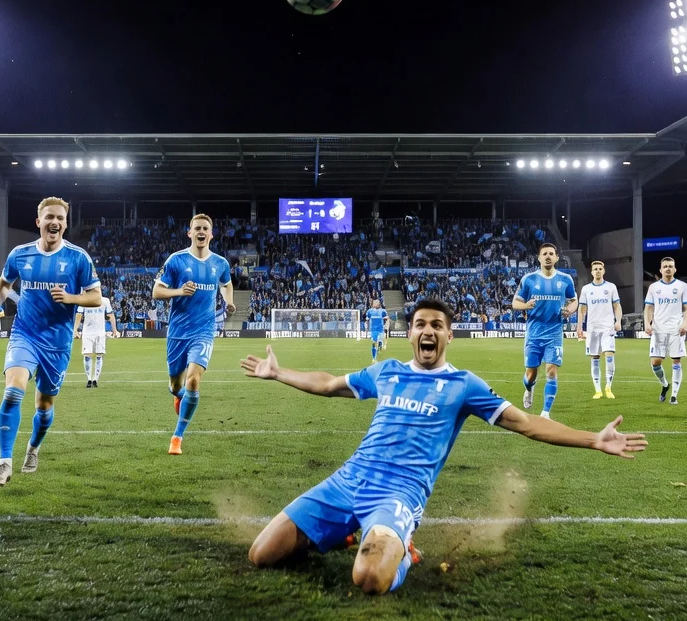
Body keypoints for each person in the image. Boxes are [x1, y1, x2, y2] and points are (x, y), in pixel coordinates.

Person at [240, 298, 646, 595]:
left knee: (367, 579)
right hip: (349, 479)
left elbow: (527, 424)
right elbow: (328, 384)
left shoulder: (464, 384)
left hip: (399, 493)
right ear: (410, 333)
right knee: (261, 554)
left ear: (449, 335)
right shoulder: (387, 371)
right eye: (420, 324)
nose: (428, 331)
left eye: (436, 325)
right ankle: (344, 531)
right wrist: (278, 373)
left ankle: (402, 552)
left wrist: (593, 438)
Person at [0, 197, 102, 484]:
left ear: (65, 224)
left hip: (58, 343)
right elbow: (3, 281)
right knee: (13, 392)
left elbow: (96, 296)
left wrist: (72, 298)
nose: (55, 222)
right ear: (39, 222)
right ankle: (4, 462)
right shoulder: (20, 254)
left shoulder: (78, 257)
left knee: (44, 406)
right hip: (25, 334)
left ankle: (33, 448)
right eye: (50, 217)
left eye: (60, 218)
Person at [151, 214, 234, 455]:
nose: (201, 232)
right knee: (176, 384)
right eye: (197, 228)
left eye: (205, 228)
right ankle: (177, 395)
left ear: (211, 234)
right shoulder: (176, 261)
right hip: (178, 332)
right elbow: (157, 292)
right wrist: (179, 291)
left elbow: (226, 284)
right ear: (190, 233)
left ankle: (177, 437)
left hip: (204, 330)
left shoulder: (220, 263)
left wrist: (228, 302)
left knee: (194, 380)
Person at [510, 242, 577, 417]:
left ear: (556, 258)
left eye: (551, 253)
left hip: (554, 334)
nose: (547, 256)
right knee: (531, 374)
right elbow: (514, 303)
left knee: (551, 371)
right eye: (544, 253)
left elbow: (574, 300)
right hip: (534, 334)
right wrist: (525, 305)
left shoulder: (565, 280)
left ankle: (545, 412)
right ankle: (529, 389)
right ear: (539, 258)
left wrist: (570, 309)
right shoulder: (529, 279)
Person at [643, 257, 687, 405]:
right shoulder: (653, 287)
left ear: (675, 269)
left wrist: (685, 323)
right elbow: (649, 307)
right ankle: (665, 384)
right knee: (655, 362)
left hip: (676, 329)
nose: (667, 268)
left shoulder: (682, 286)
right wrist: (647, 323)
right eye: (665, 266)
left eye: (670, 266)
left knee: (676, 360)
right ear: (660, 270)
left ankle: (674, 396)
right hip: (658, 330)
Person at [578, 260, 622, 399]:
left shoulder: (611, 287)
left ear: (603, 271)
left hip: (608, 327)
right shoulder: (586, 289)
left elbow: (617, 305)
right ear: (591, 272)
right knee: (595, 357)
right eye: (595, 269)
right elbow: (582, 309)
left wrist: (618, 320)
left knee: (609, 355)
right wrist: (579, 326)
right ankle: (598, 390)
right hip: (592, 329)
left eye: (600, 269)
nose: (597, 271)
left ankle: (608, 387)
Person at [74, 293, 119, 388]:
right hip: (87, 333)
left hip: (100, 332)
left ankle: (95, 379)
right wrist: (75, 330)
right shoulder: (84, 300)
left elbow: (111, 315)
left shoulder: (105, 300)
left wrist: (114, 330)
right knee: (87, 355)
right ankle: (89, 379)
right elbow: (79, 315)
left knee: (99, 355)